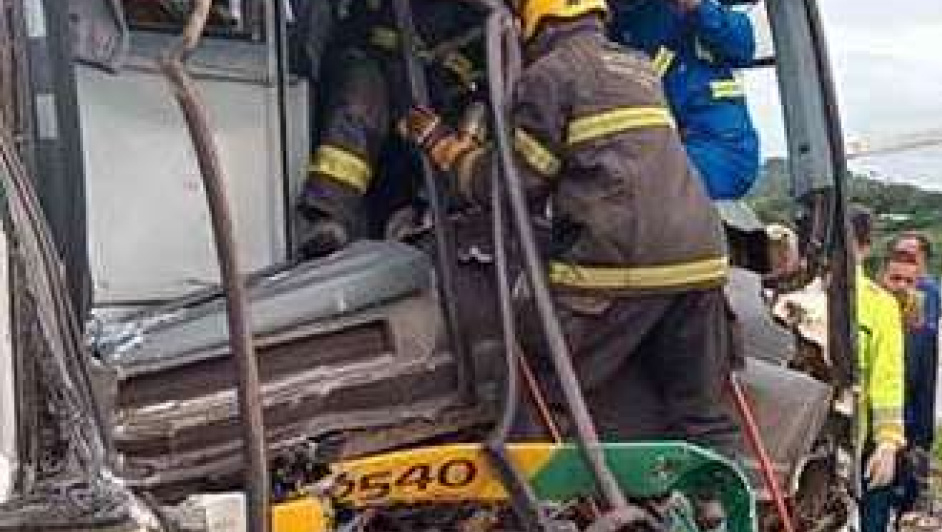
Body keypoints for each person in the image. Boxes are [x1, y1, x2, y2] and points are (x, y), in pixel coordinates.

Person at [399, 0, 737, 439]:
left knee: (539, 388)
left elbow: (510, 189)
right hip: (702, 261)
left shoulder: (551, 75)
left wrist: (444, 147)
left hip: (619, 266)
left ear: (535, 19)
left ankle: (542, 500)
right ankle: (711, 502)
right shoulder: (638, 67)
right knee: (702, 417)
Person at [294, 0, 484, 258]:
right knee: (358, 104)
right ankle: (328, 215)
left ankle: (428, 218)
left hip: (441, 87)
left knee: (459, 139)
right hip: (373, 58)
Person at [609, 0, 760, 200]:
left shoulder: (693, 13)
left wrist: (698, 7)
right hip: (646, 153)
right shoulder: (603, 28)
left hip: (718, 149)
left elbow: (742, 46)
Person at [845, 205, 906, 532]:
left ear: (863, 246)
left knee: (872, 525)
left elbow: (887, 377)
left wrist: (888, 443)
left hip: (865, 440)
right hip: (816, 440)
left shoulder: (879, 306)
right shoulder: (797, 295)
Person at [889, 233, 942, 514]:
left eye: (910, 255)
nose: (904, 259)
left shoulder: (926, 294)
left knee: (910, 466)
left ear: (924, 261)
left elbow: (918, 350)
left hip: (912, 399)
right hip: (895, 398)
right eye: (899, 253)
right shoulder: (887, 293)